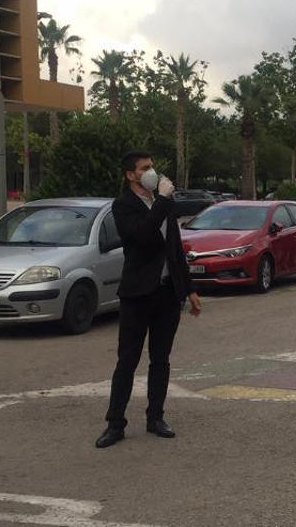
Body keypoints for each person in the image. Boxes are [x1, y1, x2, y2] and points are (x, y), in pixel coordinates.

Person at [97, 151, 204, 449]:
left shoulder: (163, 204)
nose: (151, 172)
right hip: (137, 294)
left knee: (161, 359)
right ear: (130, 175)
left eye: (152, 167)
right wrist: (164, 203)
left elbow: (174, 248)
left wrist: (189, 288)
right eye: (145, 168)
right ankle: (115, 423)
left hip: (167, 293)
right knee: (127, 361)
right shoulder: (124, 206)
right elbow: (142, 237)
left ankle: (155, 417)